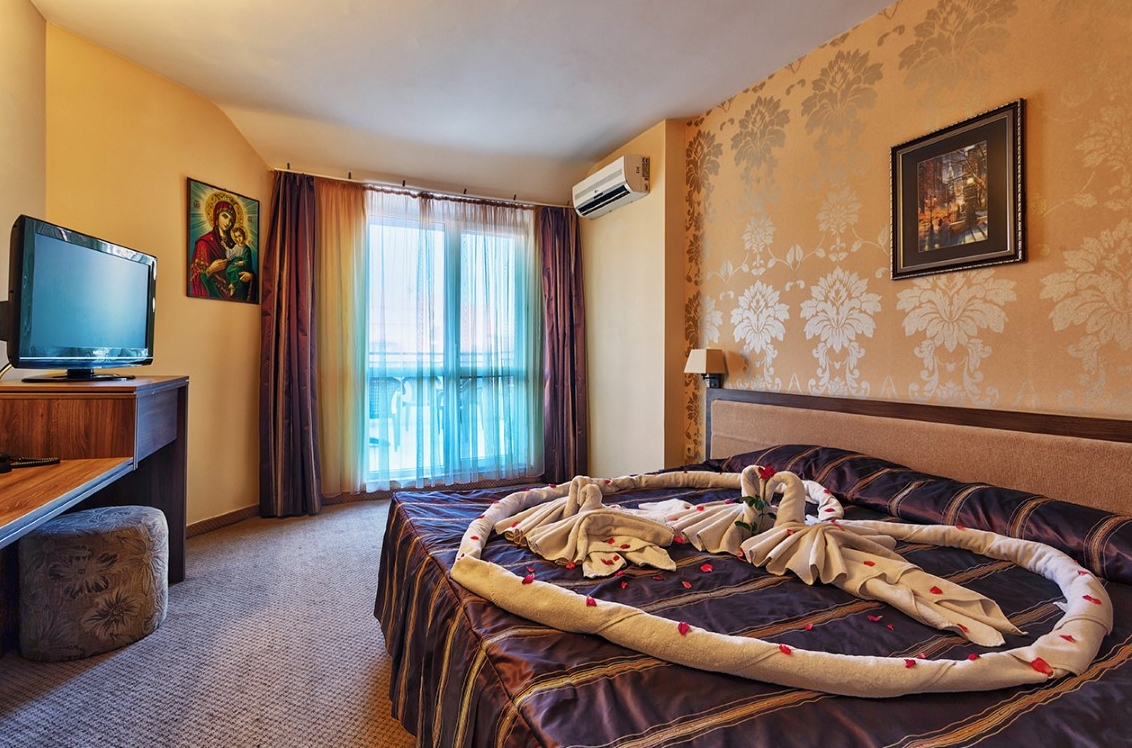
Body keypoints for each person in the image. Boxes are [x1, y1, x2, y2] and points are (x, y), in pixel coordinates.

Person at [189, 199, 237, 299]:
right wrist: (210, 269)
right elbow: (196, 278)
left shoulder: (234, 246)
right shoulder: (204, 243)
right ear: (216, 216)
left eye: (231, 220)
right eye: (225, 216)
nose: (228, 222)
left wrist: (249, 276)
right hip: (212, 297)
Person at [224, 225, 256, 302]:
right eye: (236, 237)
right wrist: (226, 247)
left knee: (236, 271)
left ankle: (234, 285)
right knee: (228, 269)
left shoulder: (246, 249)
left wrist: (242, 262)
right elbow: (231, 255)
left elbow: (248, 261)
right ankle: (232, 283)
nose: (238, 239)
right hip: (235, 263)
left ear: (243, 236)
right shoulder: (236, 246)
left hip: (242, 265)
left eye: (239, 236)